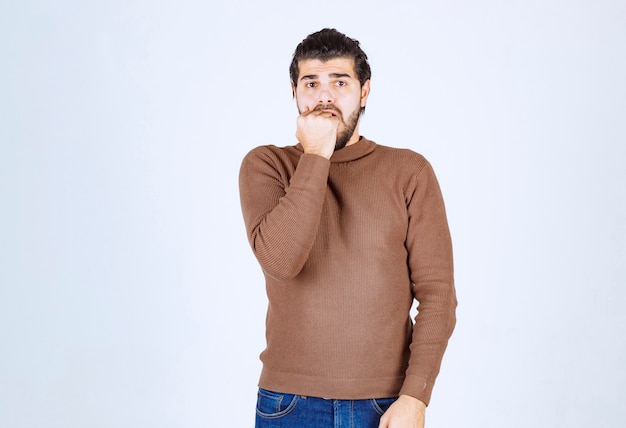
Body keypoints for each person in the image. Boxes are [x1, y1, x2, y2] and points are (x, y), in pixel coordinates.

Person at [239, 28, 457, 428]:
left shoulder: (409, 171)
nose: (325, 97)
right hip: (289, 404)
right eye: (311, 83)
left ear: (364, 91)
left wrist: (415, 397)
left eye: (339, 82)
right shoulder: (267, 165)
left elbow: (438, 295)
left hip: (386, 403)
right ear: (294, 92)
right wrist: (317, 152)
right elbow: (281, 261)